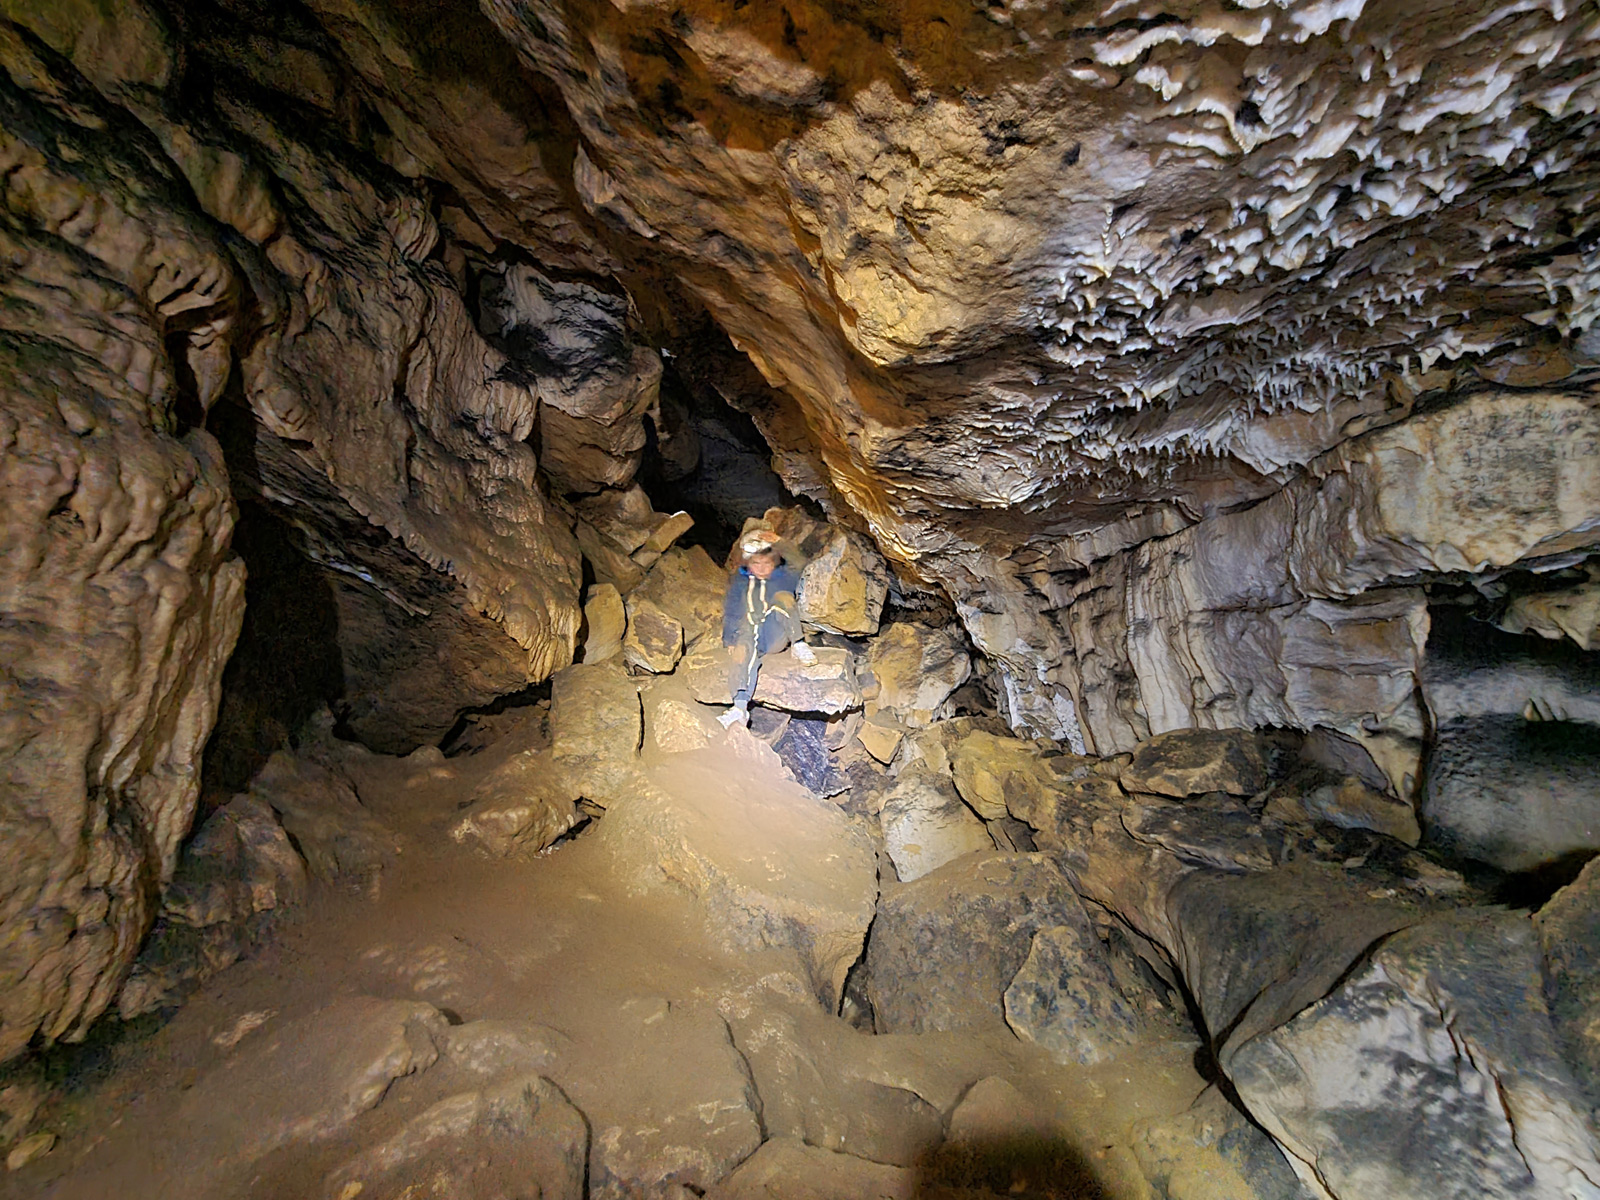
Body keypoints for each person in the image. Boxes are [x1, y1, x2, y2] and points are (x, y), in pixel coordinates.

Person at [719, 528, 815, 728]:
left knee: (783, 597)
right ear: (748, 564)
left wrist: (779, 542)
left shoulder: (782, 578)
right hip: (750, 635)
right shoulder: (740, 583)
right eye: (756, 563)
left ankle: (799, 644)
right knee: (742, 649)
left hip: (774, 633)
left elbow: (799, 562)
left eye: (767, 563)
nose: (762, 568)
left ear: (774, 563)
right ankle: (739, 708)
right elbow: (732, 611)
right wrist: (729, 640)